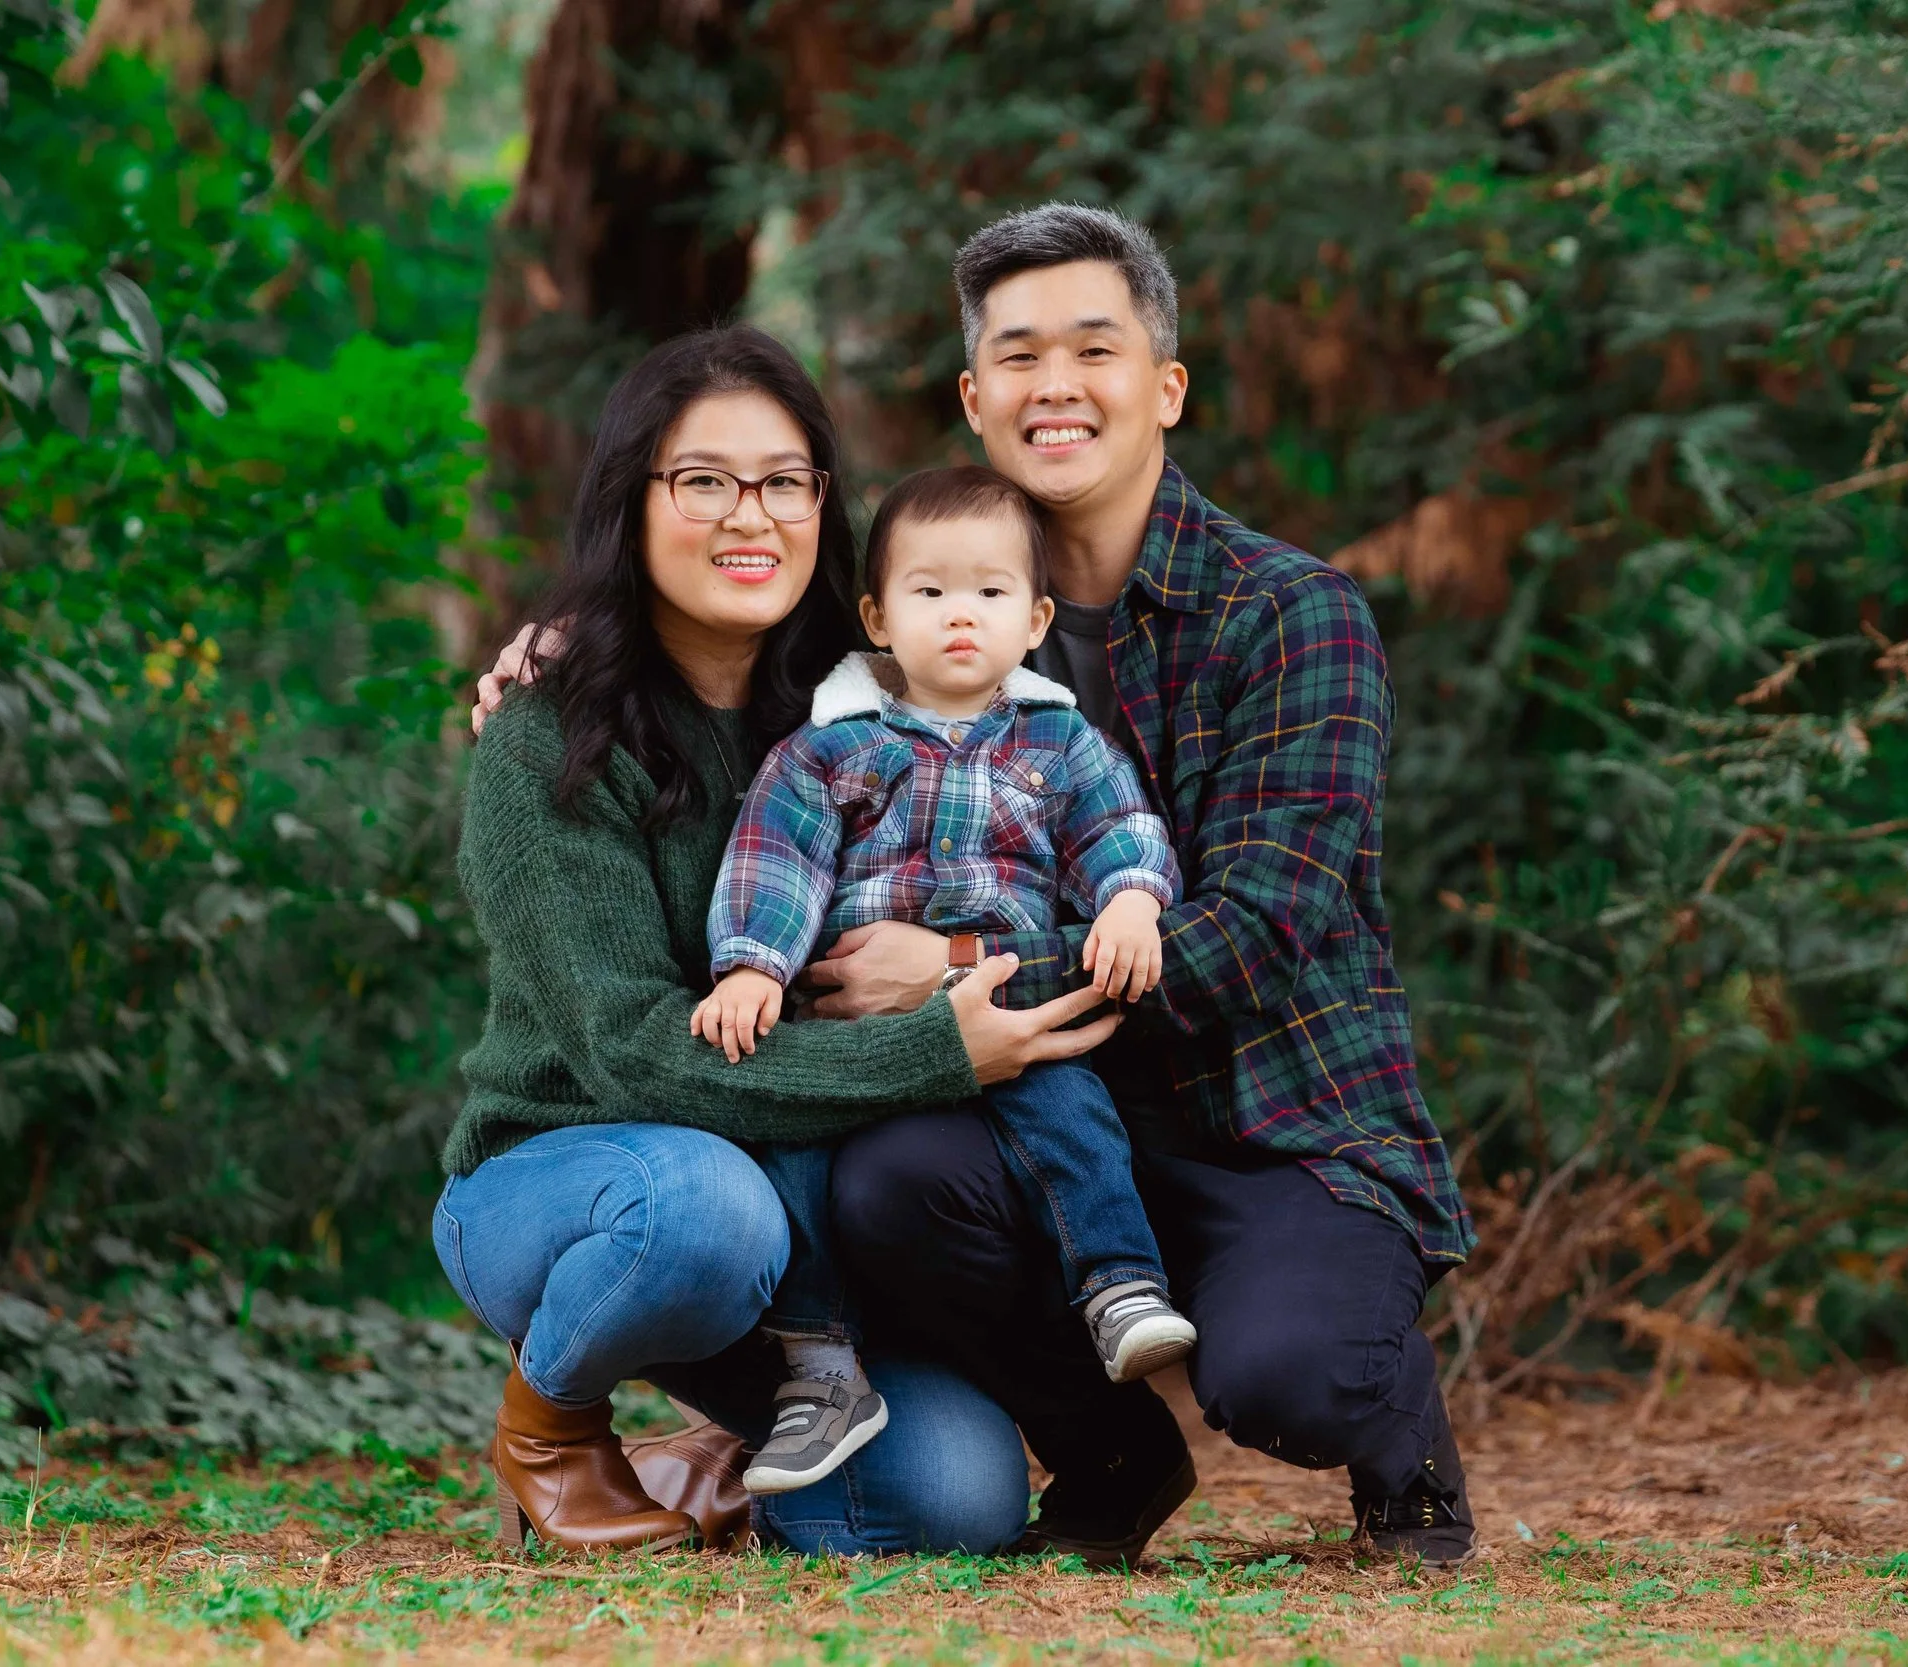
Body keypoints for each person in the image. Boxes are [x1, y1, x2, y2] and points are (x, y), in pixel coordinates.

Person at [473, 206, 1481, 1572]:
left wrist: (955, 977)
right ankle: (1106, 1447)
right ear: (972, 397)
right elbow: (709, 623)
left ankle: (1396, 1442)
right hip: (999, 1117)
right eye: (1017, 353)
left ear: (1165, 385)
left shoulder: (1288, 615)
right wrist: (563, 644)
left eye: (1094, 347)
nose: (1053, 384)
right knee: (869, 1188)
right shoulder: (911, 638)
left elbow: (1263, 927)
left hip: (1261, 1125)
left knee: (1241, 1391)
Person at [435, 325, 1122, 1558]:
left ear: (824, 508)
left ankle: (702, 1459)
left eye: (786, 479)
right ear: (631, 501)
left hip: (798, 1224)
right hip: (574, 1183)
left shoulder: (865, 716)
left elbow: (1055, 902)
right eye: (703, 480)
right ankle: (552, 1426)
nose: (749, 514)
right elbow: (635, 1054)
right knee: (707, 1211)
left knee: (954, 1494)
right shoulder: (551, 739)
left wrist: (961, 975)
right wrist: (931, 1056)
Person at [689, 465, 1196, 1497]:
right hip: (856, 1021)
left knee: (1071, 1112)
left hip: (1001, 1005)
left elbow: (1119, 830)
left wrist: (1132, 898)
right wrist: (751, 962)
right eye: (928, 593)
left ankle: (1117, 1283)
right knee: (794, 1144)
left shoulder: (1059, 739)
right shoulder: (831, 745)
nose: (959, 615)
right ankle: (821, 1368)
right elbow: (775, 856)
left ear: (1036, 615)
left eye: (989, 593)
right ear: (878, 614)